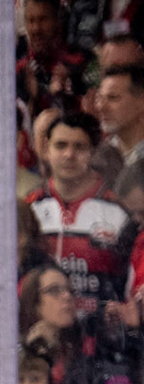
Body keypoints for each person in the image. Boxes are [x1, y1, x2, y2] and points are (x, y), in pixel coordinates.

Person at [28, 111, 133, 323]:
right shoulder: (30, 207)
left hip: (103, 338)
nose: (69, 154)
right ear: (46, 148)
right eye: (61, 145)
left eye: (79, 147)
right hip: (45, 332)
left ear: (93, 151)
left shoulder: (120, 211)